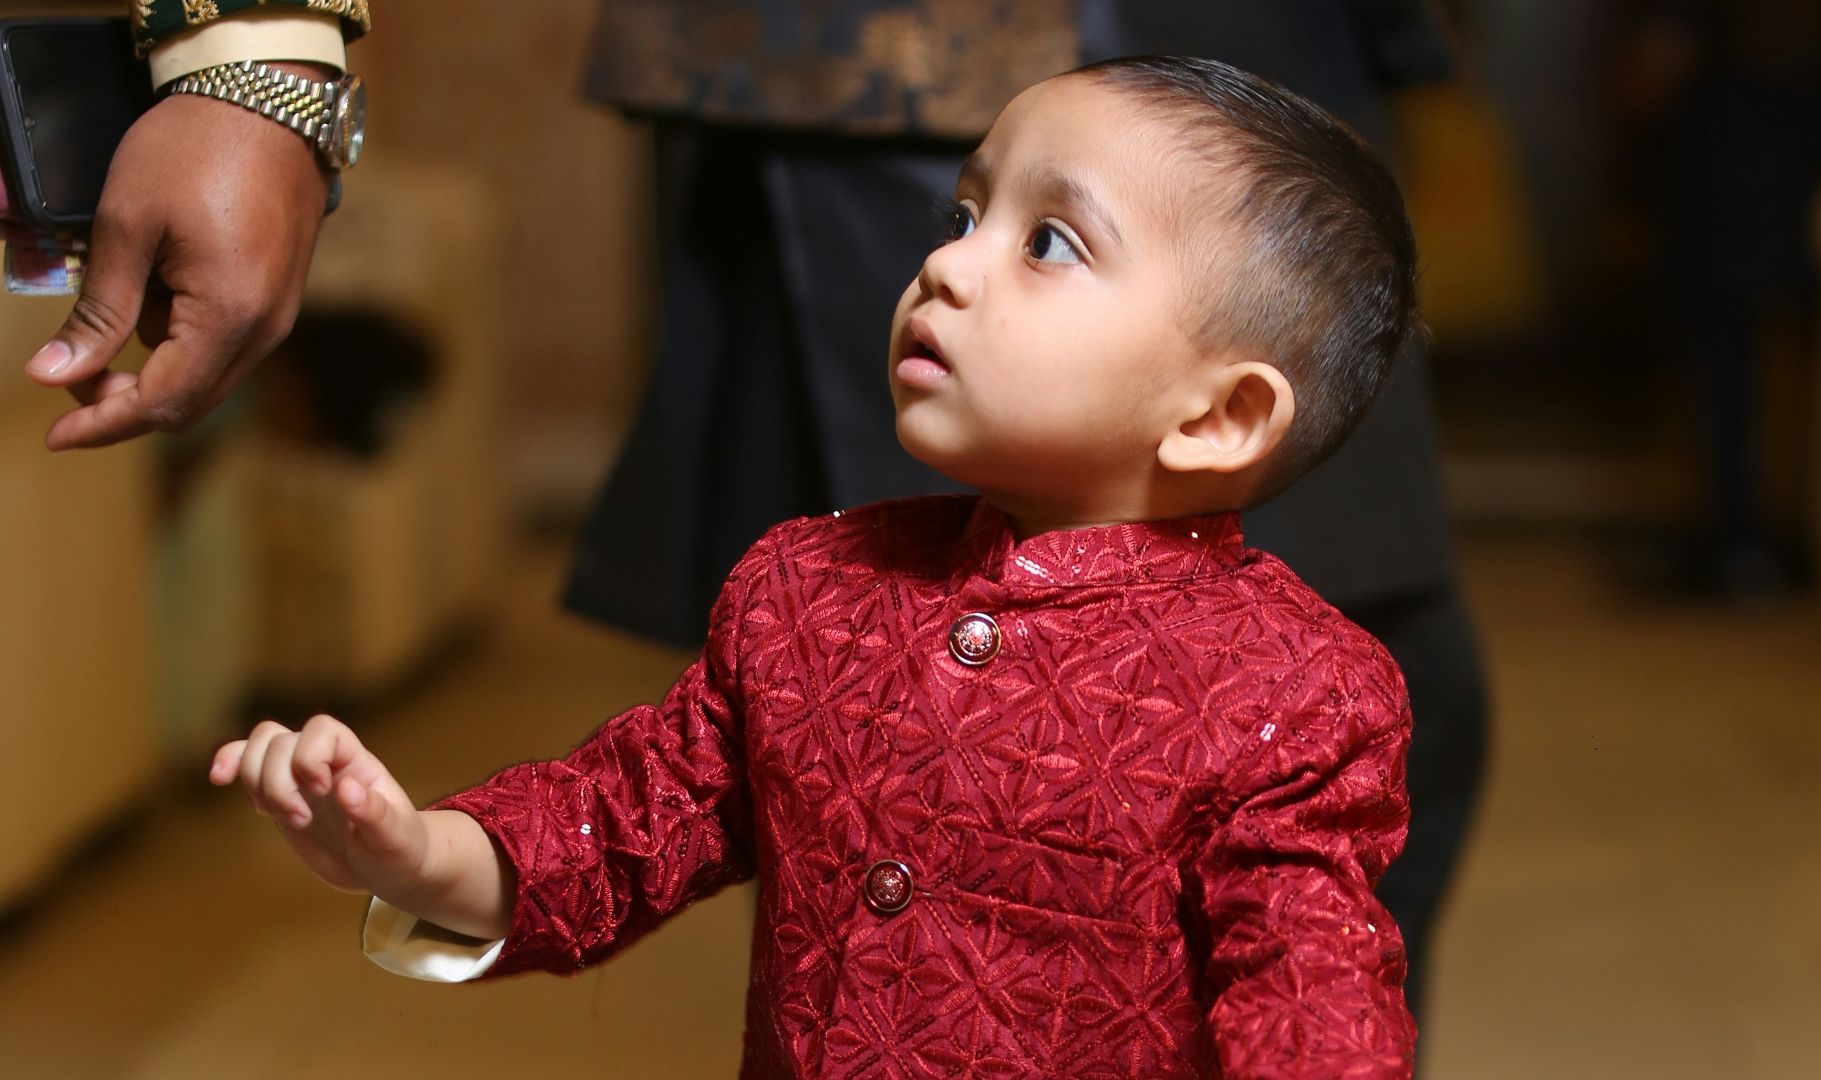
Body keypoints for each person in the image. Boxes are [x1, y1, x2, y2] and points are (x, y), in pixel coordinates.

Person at [39, 0, 1483, 1024]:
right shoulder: (806, 592)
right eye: (961, 215)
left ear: (1221, 415)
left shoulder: (1298, 699)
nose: (951, 269)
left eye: (1047, 244)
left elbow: (1316, 1022)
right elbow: (620, 826)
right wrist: (425, 855)